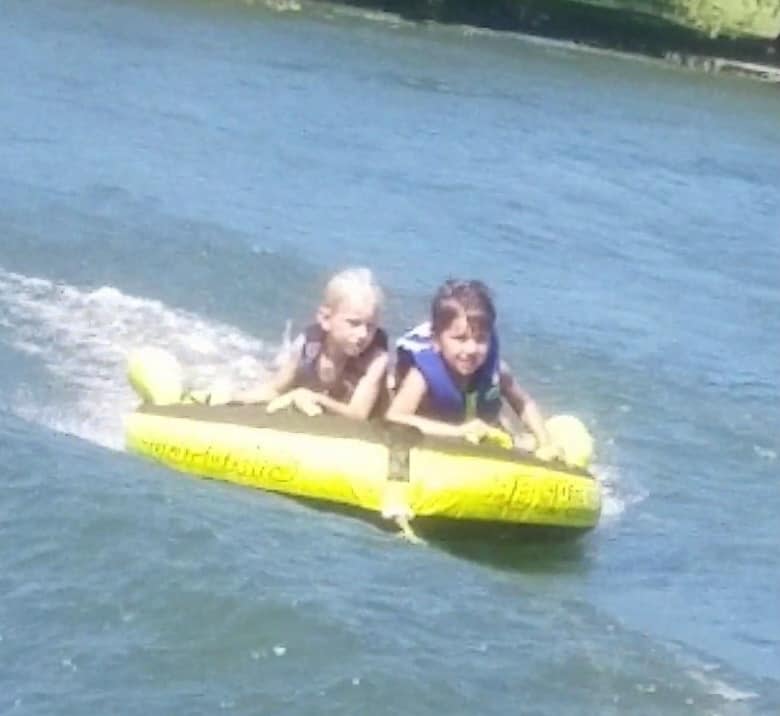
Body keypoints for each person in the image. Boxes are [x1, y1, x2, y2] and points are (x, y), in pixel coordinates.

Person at [386, 279, 556, 455]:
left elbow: (524, 403)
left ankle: (523, 437)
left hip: (485, 436)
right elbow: (395, 417)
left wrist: (545, 442)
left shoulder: (498, 371)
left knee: (515, 436)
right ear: (436, 340)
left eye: (481, 339)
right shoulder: (421, 376)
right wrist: (458, 432)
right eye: (460, 339)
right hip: (438, 442)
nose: (471, 349)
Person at [238, 267, 388, 419]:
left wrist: (313, 398)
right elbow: (276, 389)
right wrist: (237, 397)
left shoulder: (375, 359)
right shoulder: (309, 345)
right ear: (325, 319)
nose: (363, 334)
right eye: (354, 323)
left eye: (371, 326)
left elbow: (358, 414)